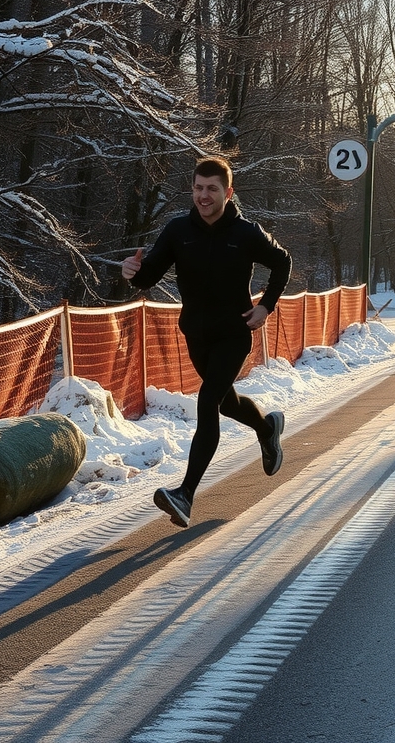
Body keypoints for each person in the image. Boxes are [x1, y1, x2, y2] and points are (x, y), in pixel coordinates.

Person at [121, 156, 292, 528]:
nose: (203, 195)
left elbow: (282, 262)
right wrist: (132, 272)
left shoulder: (247, 233)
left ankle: (185, 494)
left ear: (228, 193)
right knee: (226, 403)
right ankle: (266, 428)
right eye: (198, 187)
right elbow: (148, 274)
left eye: (212, 189)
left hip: (234, 333)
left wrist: (265, 307)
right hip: (196, 335)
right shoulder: (178, 230)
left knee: (207, 402)